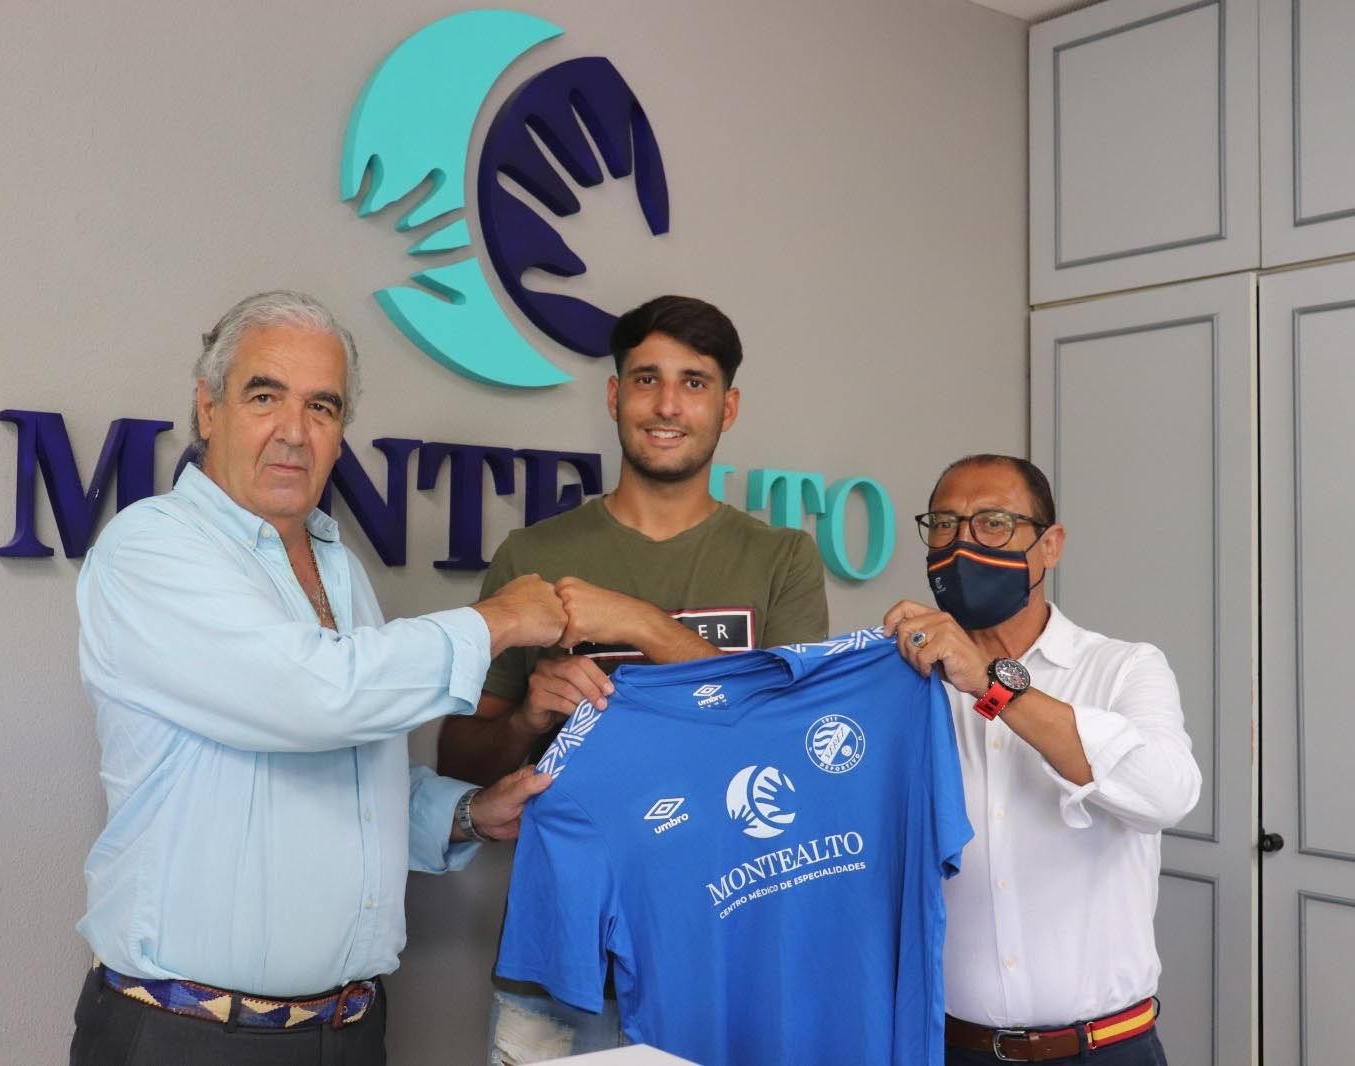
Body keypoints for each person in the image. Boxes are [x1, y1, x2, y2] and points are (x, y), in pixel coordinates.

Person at [69, 290, 567, 1066]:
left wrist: (468, 814)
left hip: (350, 1035)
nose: (294, 433)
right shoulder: (150, 550)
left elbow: (346, 770)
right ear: (208, 409)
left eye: (323, 408)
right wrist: (497, 621)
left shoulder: (338, 566)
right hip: (190, 1040)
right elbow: (310, 698)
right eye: (265, 396)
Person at [437, 295, 831, 1063]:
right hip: (561, 970)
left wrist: (644, 626)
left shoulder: (783, 558)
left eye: (694, 382)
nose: (667, 404)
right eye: (646, 379)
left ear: (729, 406)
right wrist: (524, 722)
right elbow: (457, 757)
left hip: (726, 955)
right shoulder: (532, 555)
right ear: (615, 396)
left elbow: (792, 747)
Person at [882, 454, 1201, 1065]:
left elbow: (1167, 794)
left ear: (1049, 545)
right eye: (945, 525)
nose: (963, 543)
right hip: (950, 1047)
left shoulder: (1124, 667)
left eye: (994, 523)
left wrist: (992, 686)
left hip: (1104, 1050)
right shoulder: (907, 684)